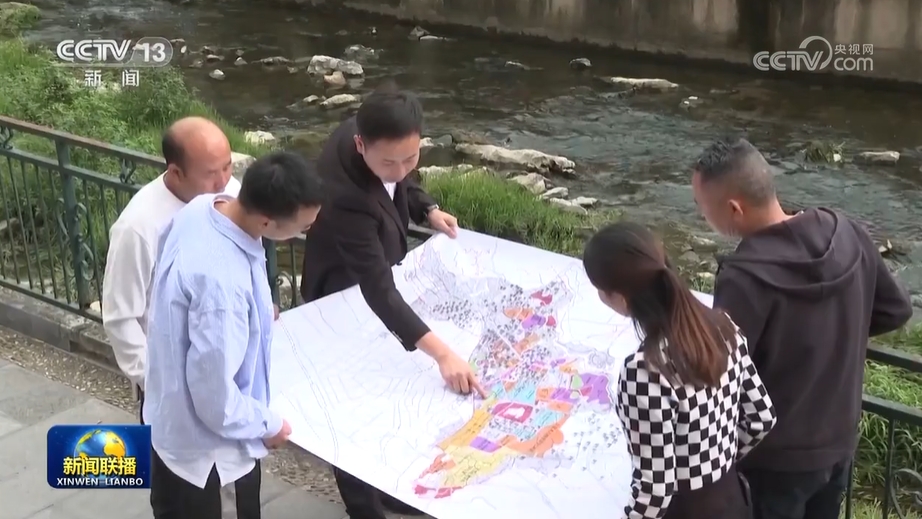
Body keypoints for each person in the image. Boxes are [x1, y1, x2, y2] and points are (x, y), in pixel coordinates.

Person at [691, 137, 913, 519]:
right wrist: (840, 331)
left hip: (774, 460)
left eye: (701, 205)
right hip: (839, 439)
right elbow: (896, 309)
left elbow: (721, 374)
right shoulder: (845, 230)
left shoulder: (744, 278)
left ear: (733, 208)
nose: (701, 215)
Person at [298, 89, 486, 518]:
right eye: (390, 163)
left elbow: (399, 181)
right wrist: (443, 355)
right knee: (352, 409)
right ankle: (364, 508)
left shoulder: (379, 140)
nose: (401, 170)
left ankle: (389, 487)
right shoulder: (344, 195)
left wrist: (427, 208)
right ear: (360, 144)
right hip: (341, 297)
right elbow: (377, 289)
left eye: (411, 158)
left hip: (378, 280)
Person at [144, 151, 324, 519]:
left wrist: (258, 310)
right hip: (210, 458)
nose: (307, 232)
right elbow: (216, 402)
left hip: (169, 422)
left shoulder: (204, 207)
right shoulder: (221, 292)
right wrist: (270, 425)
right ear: (267, 222)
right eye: (303, 227)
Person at [582, 221, 777, 519]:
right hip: (732, 498)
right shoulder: (724, 327)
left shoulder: (644, 372)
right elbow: (762, 418)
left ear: (618, 297)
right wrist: (715, 465)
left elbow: (656, 489)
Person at [102, 116, 241, 422]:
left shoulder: (230, 192)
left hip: (228, 373)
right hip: (173, 388)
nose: (223, 181)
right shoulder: (139, 227)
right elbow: (120, 317)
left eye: (228, 166)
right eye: (210, 173)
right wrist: (159, 384)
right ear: (176, 173)